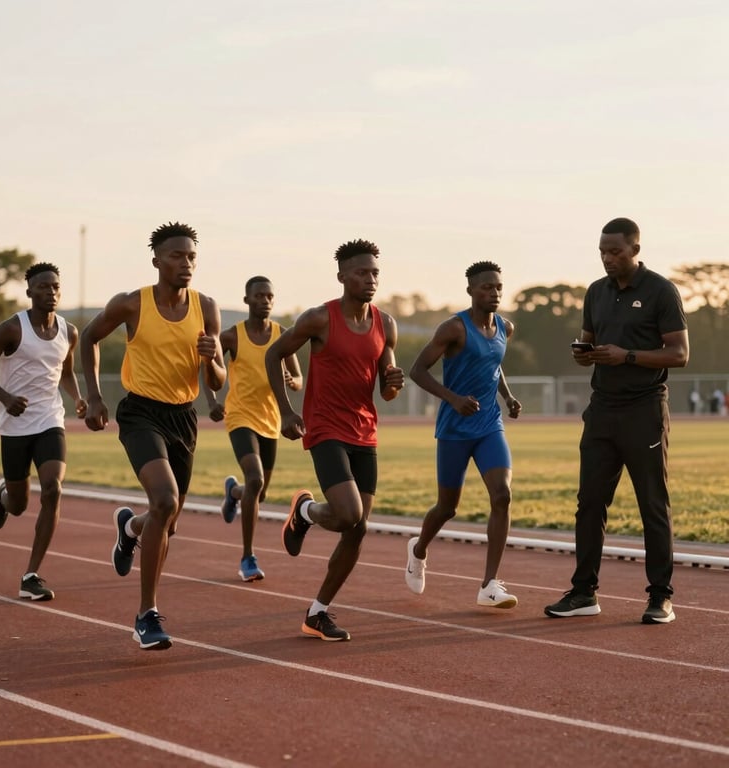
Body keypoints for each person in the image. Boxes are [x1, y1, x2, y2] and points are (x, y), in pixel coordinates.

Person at [80, 222, 226, 650]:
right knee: (166, 500)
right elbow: (89, 336)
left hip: (184, 417)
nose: (186, 263)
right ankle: (147, 614)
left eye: (192, 256)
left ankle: (131, 528)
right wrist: (93, 395)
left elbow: (216, 379)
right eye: (177, 256)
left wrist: (211, 359)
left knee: (167, 521)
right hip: (140, 413)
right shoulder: (131, 304)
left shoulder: (207, 307)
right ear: (157, 261)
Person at [544, 217, 689, 625]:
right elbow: (589, 340)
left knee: (652, 505)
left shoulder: (661, 291)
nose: (608, 258)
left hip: (644, 410)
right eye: (602, 252)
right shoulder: (595, 292)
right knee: (589, 504)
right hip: (602, 410)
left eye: (616, 251)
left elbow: (679, 354)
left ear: (635, 250)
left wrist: (626, 355)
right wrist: (584, 353)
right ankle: (583, 592)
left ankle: (661, 597)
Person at [265, 238, 404, 641]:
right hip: (325, 427)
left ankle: (318, 612)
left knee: (358, 528)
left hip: (365, 431)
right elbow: (274, 355)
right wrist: (286, 410)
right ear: (342, 276)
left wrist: (393, 383)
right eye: (361, 272)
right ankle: (306, 510)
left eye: (375, 272)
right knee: (347, 514)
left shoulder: (386, 324)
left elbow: (387, 389)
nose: (370, 279)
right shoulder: (319, 319)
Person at [405, 262, 521, 607]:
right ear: (471, 291)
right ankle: (419, 549)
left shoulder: (505, 327)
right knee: (447, 508)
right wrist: (452, 399)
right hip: (455, 429)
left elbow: (493, 365)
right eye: (487, 287)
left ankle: (489, 585)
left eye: (498, 287)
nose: (494, 293)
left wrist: (508, 396)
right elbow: (417, 370)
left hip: (489, 427)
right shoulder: (453, 328)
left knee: (502, 495)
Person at [0, 263, 87, 601]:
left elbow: (66, 371)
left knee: (52, 489)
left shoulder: (70, 331)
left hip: (50, 419)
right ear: (29, 292)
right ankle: (4, 496)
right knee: (20, 505)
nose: (50, 292)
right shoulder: (11, 329)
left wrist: (78, 398)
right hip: (15, 425)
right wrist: (5, 398)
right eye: (43, 287)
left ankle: (31, 574)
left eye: (55, 286)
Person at [205, 276, 303, 582]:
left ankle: (233, 492)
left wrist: (292, 381)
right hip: (239, 416)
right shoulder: (232, 337)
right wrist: (211, 401)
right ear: (247, 301)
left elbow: (299, 380)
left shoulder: (283, 335)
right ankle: (248, 557)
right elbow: (205, 363)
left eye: (270, 296)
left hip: (271, 420)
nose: (265, 301)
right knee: (256, 478)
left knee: (257, 494)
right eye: (259, 296)